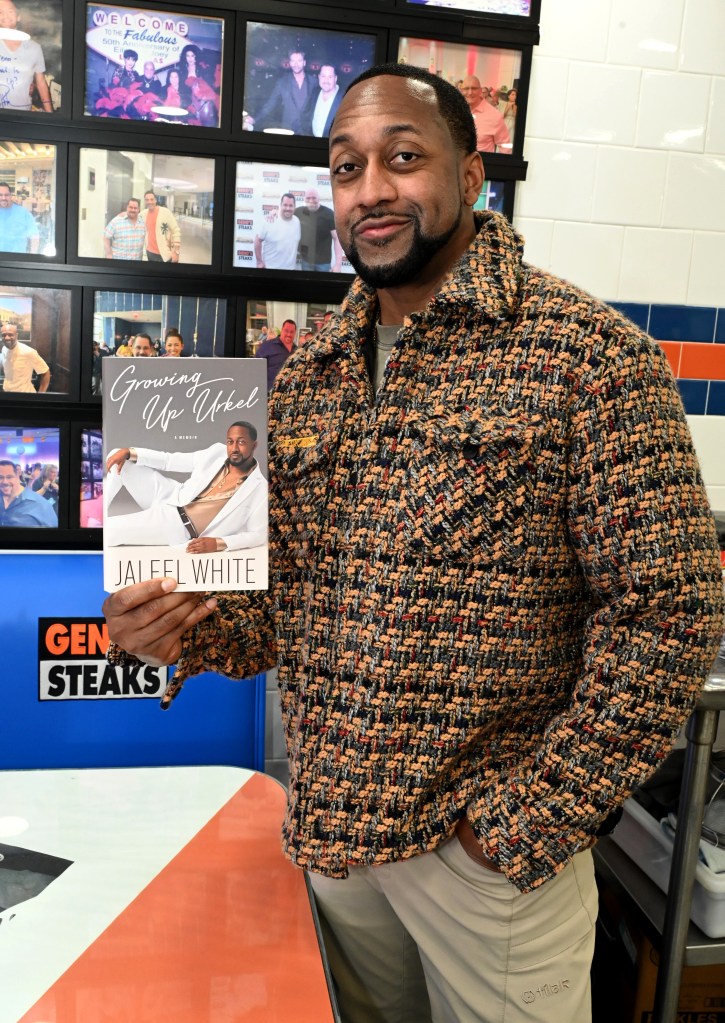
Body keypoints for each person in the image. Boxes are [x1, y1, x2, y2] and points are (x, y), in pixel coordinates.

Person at [102, 64, 724, 1023]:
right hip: (336, 840)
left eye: (403, 157)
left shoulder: (588, 358)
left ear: (470, 177)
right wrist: (178, 629)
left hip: (485, 864)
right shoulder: (308, 373)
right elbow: (281, 615)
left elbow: (672, 611)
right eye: (347, 168)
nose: (372, 189)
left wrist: (522, 821)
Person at [104, 422, 267, 552]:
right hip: (169, 495)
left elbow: (258, 535)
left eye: (242, 442)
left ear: (254, 445)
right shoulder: (217, 453)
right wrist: (130, 452)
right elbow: (170, 461)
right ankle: (100, 512)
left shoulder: (259, 488)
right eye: (230, 442)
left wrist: (218, 543)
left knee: (108, 532)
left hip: (176, 525)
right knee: (118, 455)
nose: (234, 448)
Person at [246, 49, 316, 135]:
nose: (296, 64)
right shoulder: (282, 82)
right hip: (288, 128)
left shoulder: (314, 82)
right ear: (289, 63)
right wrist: (255, 119)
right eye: (293, 61)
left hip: (307, 130)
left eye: (299, 61)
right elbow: (270, 104)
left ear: (304, 62)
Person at [0, 0, 53, 112]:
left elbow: (41, 83)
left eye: (10, 11)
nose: (5, 16)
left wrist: (51, 116)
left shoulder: (34, 48)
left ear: (18, 16)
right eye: (0, 12)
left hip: (23, 118)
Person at [294, 188, 343, 272]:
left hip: (324, 263)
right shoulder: (299, 211)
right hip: (306, 261)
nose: (311, 200)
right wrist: (274, 212)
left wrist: (338, 264)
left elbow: (337, 238)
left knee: (322, 285)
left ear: (319, 198)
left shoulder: (329, 213)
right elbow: (285, 211)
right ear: (304, 199)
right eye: (308, 198)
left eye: (314, 198)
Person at [460, 74, 511, 153]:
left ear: (480, 91)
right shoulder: (454, 110)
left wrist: (497, 165)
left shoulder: (494, 116)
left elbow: (505, 146)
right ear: (461, 90)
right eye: (466, 88)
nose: (470, 92)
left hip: (482, 164)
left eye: (474, 88)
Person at [0, 460, 57, 526]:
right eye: (0, 477)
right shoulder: (38, 481)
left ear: (17, 476)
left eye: (9, 477)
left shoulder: (41, 505)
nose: (5, 482)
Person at [254, 193, 301, 270]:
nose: (288, 208)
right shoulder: (269, 220)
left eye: (291, 205)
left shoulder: (297, 221)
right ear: (280, 205)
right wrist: (259, 262)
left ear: (294, 207)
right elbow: (257, 240)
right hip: (271, 269)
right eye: (285, 205)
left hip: (290, 269)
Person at [0, 322, 50, 392]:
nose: (7, 337)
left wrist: (40, 396)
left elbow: (45, 373)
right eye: (3, 335)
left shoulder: (28, 352)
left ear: (16, 336)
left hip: (25, 396)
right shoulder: (4, 349)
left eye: (10, 334)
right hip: (7, 394)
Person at [255, 318, 296, 391]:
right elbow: (255, 368)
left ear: (295, 333)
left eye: (292, 332)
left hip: (288, 395)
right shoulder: (267, 346)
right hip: (269, 395)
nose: (289, 334)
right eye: (286, 331)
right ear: (282, 330)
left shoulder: (297, 350)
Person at [0, 181, 39, 253]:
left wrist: (33, 255)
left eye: (6, 195)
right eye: (0, 195)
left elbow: (34, 235)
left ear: (11, 196)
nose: (3, 198)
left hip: (17, 258)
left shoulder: (23, 213)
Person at [142, 190, 181, 263]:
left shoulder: (165, 212)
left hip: (165, 253)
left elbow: (176, 230)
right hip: (150, 253)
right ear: (145, 201)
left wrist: (176, 252)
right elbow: (134, 215)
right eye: (147, 200)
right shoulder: (143, 214)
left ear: (156, 200)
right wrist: (124, 213)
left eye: (152, 199)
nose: (149, 202)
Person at [309, 64, 342, 138]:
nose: (326, 80)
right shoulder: (314, 94)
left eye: (330, 77)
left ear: (335, 78)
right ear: (319, 77)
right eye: (323, 76)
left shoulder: (344, 99)